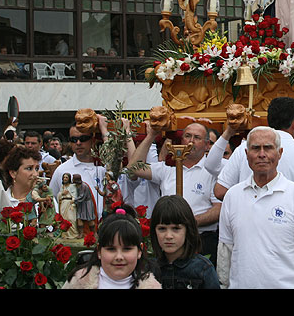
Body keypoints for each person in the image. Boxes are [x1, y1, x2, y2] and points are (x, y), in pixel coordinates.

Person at [217, 126, 294, 289]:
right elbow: (226, 250)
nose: (261, 154)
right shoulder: (232, 196)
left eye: (268, 148)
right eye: (255, 148)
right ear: (246, 154)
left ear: (279, 153)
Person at [211, 97, 294, 219]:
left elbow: (221, 191)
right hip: (286, 228)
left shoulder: (244, 148)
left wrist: (249, 203)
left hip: (247, 222)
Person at [127, 122, 221, 265]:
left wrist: (190, 222)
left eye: (197, 137)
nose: (191, 141)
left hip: (200, 240)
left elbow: (218, 208)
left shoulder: (213, 170)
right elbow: (134, 168)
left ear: (207, 145)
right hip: (167, 241)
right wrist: (151, 135)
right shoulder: (168, 167)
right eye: (187, 136)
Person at [63, 205, 162, 289]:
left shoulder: (152, 286)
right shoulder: (79, 282)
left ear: (139, 250)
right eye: (111, 249)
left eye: (127, 249)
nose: (119, 257)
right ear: (99, 251)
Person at [149, 194, 220, 289]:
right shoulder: (149, 269)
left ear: (188, 230)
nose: (168, 236)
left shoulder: (203, 269)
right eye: (162, 229)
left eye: (176, 229)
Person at [49, 117, 108, 217]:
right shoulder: (61, 170)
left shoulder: (105, 166)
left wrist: (104, 131)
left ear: (93, 139)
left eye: (83, 139)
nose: (78, 143)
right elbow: (52, 200)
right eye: (73, 139)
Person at [3, 144, 41, 224]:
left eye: (37, 169)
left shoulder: (44, 197)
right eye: (29, 168)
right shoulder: (2, 199)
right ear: (13, 173)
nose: (35, 174)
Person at [57, 172, 79, 239]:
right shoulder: (62, 187)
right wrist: (62, 193)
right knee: (64, 219)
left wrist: (73, 203)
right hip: (63, 204)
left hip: (70, 204)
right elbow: (58, 196)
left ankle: (73, 234)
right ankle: (65, 234)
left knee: (71, 219)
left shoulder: (73, 186)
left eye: (66, 177)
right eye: (64, 177)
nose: (65, 179)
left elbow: (75, 195)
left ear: (69, 178)